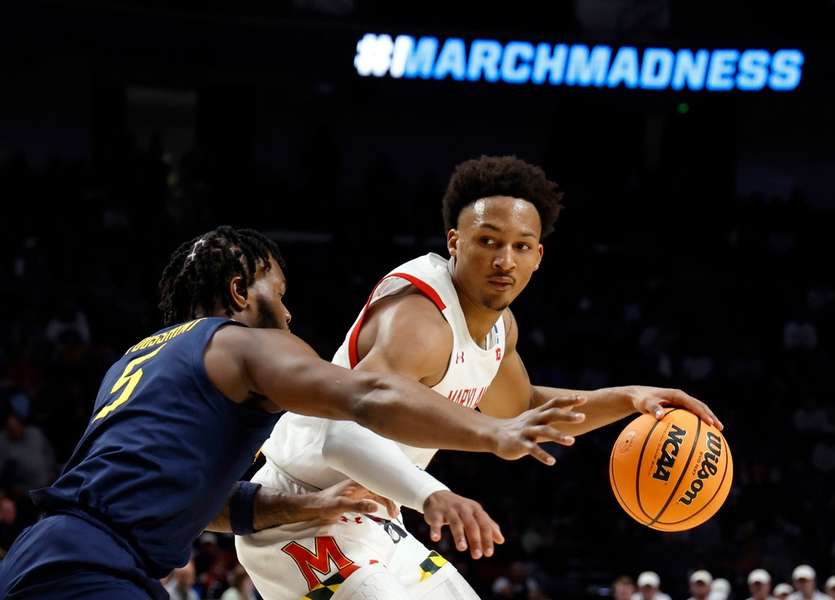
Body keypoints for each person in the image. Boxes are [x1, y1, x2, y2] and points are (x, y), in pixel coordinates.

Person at [0, 226, 583, 600]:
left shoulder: (139, 359)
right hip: (92, 571)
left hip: (41, 558)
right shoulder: (243, 343)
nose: (287, 311)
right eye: (276, 293)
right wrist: (491, 431)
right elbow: (369, 395)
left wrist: (309, 505)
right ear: (238, 293)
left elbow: (204, 501)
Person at [238, 157, 722, 599]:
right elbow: (341, 435)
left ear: (538, 256)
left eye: (520, 246)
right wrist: (434, 495)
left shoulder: (498, 330)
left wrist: (628, 399)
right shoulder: (418, 319)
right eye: (488, 241)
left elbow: (523, 412)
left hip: (375, 515)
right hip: (299, 511)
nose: (503, 261)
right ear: (455, 241)